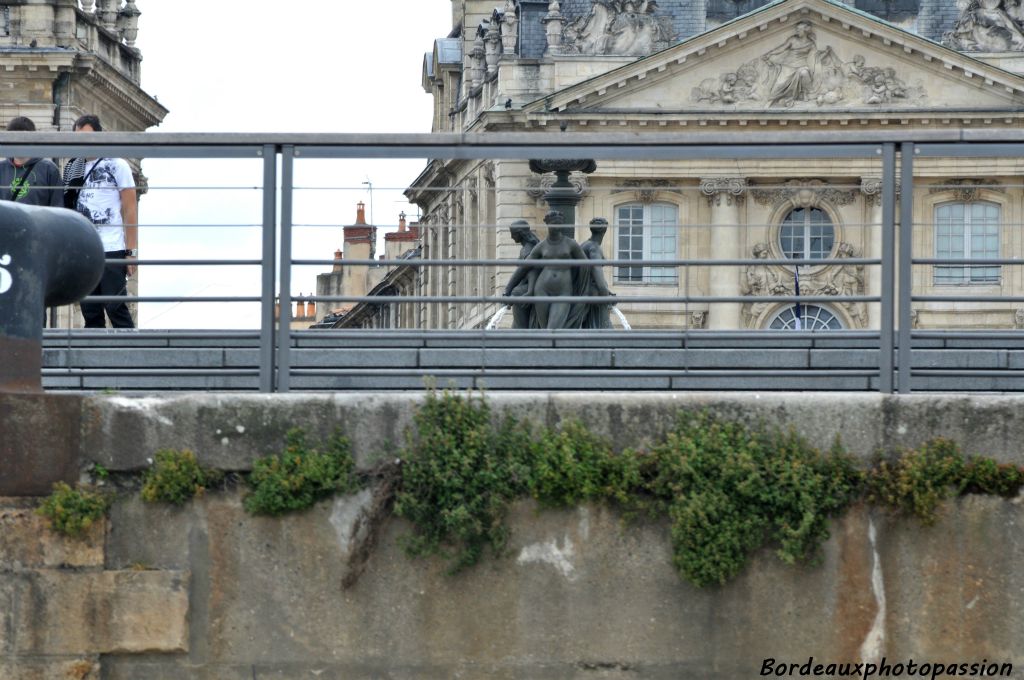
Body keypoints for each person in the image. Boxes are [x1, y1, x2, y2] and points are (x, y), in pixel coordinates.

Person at [64, 114, 138, 328]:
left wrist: (131, 252)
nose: (83, 142)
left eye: (87, 136)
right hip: (83, 248)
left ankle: (133, 355)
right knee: (90, 311)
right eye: (78, 137)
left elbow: (130, 209)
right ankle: (92, 360)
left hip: (111, 247)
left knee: (116, 307)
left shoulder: (117, 165)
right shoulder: (72, 168)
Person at [503, 210, 589, 329]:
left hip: (563, 292)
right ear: (547, 224)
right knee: (544, 331)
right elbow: (523, 268)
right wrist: (508, 289)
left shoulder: (571, 244)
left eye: (559, 224)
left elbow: (587, 265)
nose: (557, 226)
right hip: (542, 290)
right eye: (554, 223)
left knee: (552, 329)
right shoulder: (541, 246)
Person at [0, 117, 63, 207]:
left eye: (23, 139)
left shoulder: (49, 170)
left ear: (32, 140)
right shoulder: (1, 169)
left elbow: (58, 207)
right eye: (13, 138)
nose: (17, 143)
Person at [506, 220, 541, 329]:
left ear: (521, 233)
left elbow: (530, 271)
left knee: (517, 293)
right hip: (531, 285)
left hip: (532, 286)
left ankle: (522, 333)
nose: (512, 237)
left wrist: (530, 290)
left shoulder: (528, 249)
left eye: (513, 234)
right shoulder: (526, 248)